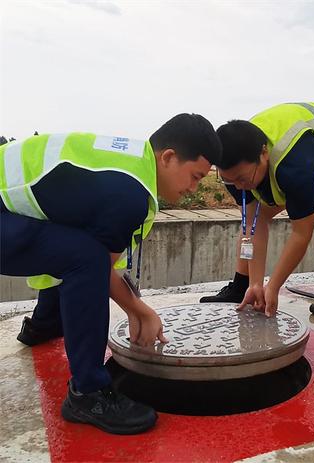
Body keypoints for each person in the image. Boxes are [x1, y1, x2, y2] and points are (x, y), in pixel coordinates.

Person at [0, 114, 222, 434]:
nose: (194, 187)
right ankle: (87, 393)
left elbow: (67, 237)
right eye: (195, 176)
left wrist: (133, 307)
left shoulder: (128, 163)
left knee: (71, 245)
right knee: (85, 257)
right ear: (169, 157)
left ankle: (45, 324)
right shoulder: (129, 193)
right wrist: (140, 310)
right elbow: (99, 266)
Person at [203, 102, 314, 372]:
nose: (237, 186)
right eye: (229, 181)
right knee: (251, 218)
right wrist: (255, 283)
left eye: (241, 178)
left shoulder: (292, 165)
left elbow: (301, 233)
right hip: (298, 163)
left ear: (264, 154)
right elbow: (253, 223)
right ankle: (241, 287)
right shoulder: (236, 167)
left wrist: (272, 287)